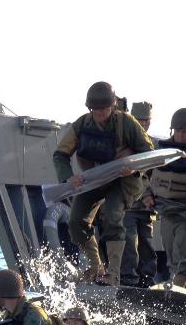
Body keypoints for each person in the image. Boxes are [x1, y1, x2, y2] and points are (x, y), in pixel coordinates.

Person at [53, 82, 154, 286]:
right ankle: (96, 267)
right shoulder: (81, 125)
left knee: (113, 215)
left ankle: (114, 274)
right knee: (76, 221)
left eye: (104, 109)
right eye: (95, 109)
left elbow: (149, 151)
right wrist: (68, 177)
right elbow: (60, 155)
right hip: (95, 179)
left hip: (125, 180)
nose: (99, 113)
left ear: (113, 106)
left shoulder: (126, 122)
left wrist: (133, 166)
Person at [145, 108, 186, 288]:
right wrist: (147, 194)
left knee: (181, 260)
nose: (182, 135)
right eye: (179, 131)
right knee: (171, 257)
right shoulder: (160, 151)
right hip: (166, 211)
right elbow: (143, 176)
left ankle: (176, 293)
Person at [120, 101, 158, 287]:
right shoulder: (124, 144)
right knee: (129, 243)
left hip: (147, 208)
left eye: (146, 121)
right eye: (139, 120)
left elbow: (156, 176)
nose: (143, 124)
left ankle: (146, 281)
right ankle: (129, 280)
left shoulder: (152, 146)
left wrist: (152, 196)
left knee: (148, 246)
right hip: (128, 204)